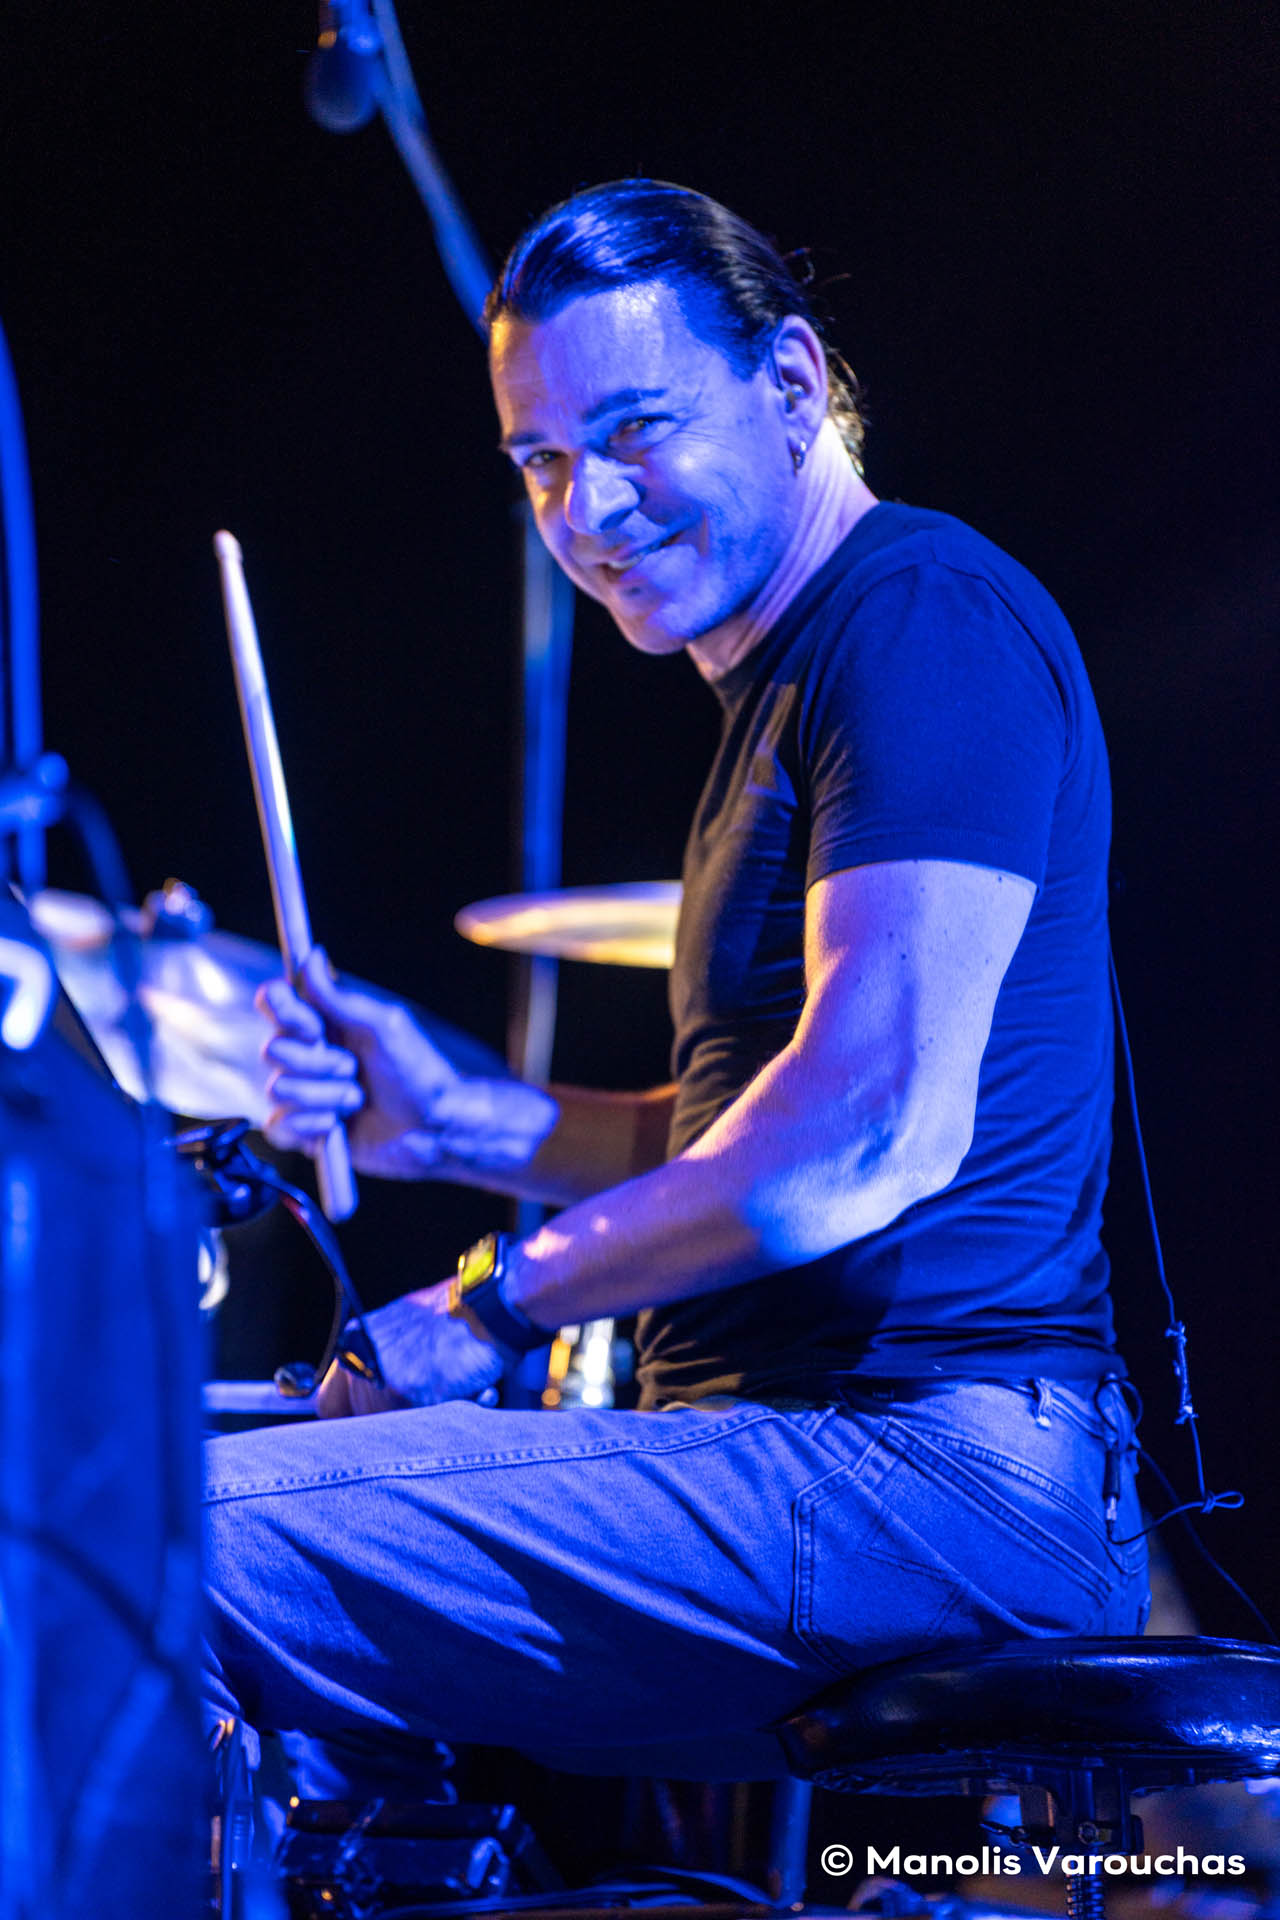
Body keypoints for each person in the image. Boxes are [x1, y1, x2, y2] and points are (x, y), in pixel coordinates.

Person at [203, 180, 1148, 1785]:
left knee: (136, 1552)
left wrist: (487, 1303)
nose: (587, 510)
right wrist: (461, 1119)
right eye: (539, 462)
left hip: (918, 1474)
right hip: (812, 1463)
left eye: (634, 432)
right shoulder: (788, 683)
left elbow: (863, 1138)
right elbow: (742, 1145)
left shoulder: (919, 617)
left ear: (791, 382)